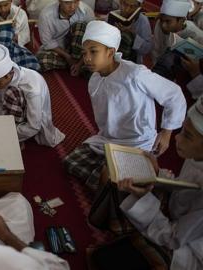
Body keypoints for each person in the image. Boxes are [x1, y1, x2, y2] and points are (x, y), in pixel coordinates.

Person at [63, 21, 187, 191]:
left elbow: (174, 94)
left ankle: (144, 174)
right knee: (71, 162)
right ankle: (125, 176)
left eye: (94, 52)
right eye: (84, 53)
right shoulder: (95, 80)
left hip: (139, 141)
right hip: (109, 139)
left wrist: (166, 133)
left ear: (111, 52)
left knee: (109, 180)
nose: (87, 59)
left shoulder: (135, 74)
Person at [91, 96, 203, 270]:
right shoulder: (197, 157)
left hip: (186, 248)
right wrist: (157, 172)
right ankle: (115, 227)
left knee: (103, 260)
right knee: (115, 174)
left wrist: (144, 199)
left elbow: (173, 238)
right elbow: (183, 187)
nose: (176, 138)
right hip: (172, 218)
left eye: (187, 136)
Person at [0, 44, 66, 147]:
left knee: (12, 94)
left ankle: (17, 136)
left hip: (33, 119)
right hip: (15, 110)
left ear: (8, 75)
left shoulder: (32, 87)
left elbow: (34, 126)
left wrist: (8, 134)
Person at [0, 0, 40, 71]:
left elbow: (25, 35)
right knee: (4, 33)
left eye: (6, 5)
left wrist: (14, 34)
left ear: (11, 1)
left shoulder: (20, 13)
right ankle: (5, 64)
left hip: (16, 48)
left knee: (34, 65)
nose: (3, 9)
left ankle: (4, 65)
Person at [36, 0, 94, 75]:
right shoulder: (46, 15)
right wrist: (68, 57)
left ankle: (78, 65)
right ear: (59, 1)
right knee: (41, 59)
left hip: (81, 50)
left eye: (76, 2)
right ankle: (78, 66)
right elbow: (48, 42)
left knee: (80, 25)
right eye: (67, 2)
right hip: (60, 50)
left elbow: (92, 38)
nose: (72, 7)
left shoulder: (86, 11)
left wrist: (80, 63)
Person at [152, 0, 203, 80]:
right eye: (162, 20)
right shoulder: (159, 25)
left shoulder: (197, 36)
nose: (163, 25)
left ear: (181, 20)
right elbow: (156, 50)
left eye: (168, 21)